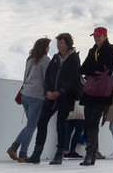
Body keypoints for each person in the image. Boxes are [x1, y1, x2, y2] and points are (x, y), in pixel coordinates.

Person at [27, 33, 82, 164]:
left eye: (61, 43)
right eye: (57, 43)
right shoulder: (56, 58)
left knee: (61, 125)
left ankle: (59, 154)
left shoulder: (74, 58)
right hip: (51, 97)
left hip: (65, 97)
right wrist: (48, 91)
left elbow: (73, 79)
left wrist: (60, 92)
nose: (58, 45)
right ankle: (36, 153)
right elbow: (48, 76)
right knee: (41, 122)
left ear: (68, 44)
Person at [79, 26, 113, 165]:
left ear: (105, 36)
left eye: (99, 36)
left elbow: (104, 66)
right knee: (88, 121)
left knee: (94, 120)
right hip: (90, 91)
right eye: (95, 36)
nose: (96, 38)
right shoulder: (92, 50)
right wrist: (93, 69)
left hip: (102, 91)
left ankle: (90, 154)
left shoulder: (111, 48)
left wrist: (92, 68)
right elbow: (83, 68)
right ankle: (92, 153)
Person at [8, 37, 50, 162]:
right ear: (45, 48)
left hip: (25, 94)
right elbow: (47, 78)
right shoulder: (45, 60)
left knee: (30, 124)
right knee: (32, 126)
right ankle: (22, 153)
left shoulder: (30, 59)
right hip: (36, 96)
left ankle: (14, 147)